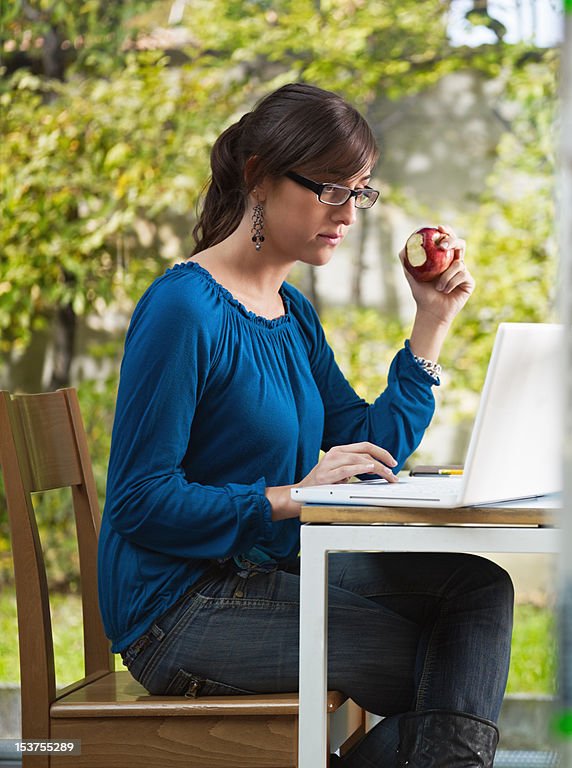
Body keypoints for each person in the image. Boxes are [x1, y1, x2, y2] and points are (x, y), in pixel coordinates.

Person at [97, 82, 514, 768]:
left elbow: (368, 442)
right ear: (258, 175)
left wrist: (431, 323)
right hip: (176, 611)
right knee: (452, 677)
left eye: (360, 191)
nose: (349, 213)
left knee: (476, 593)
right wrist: (293, 496)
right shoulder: (183, 310)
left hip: (270, 568)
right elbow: (141, 502)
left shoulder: (290, 312)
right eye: (330, 189)